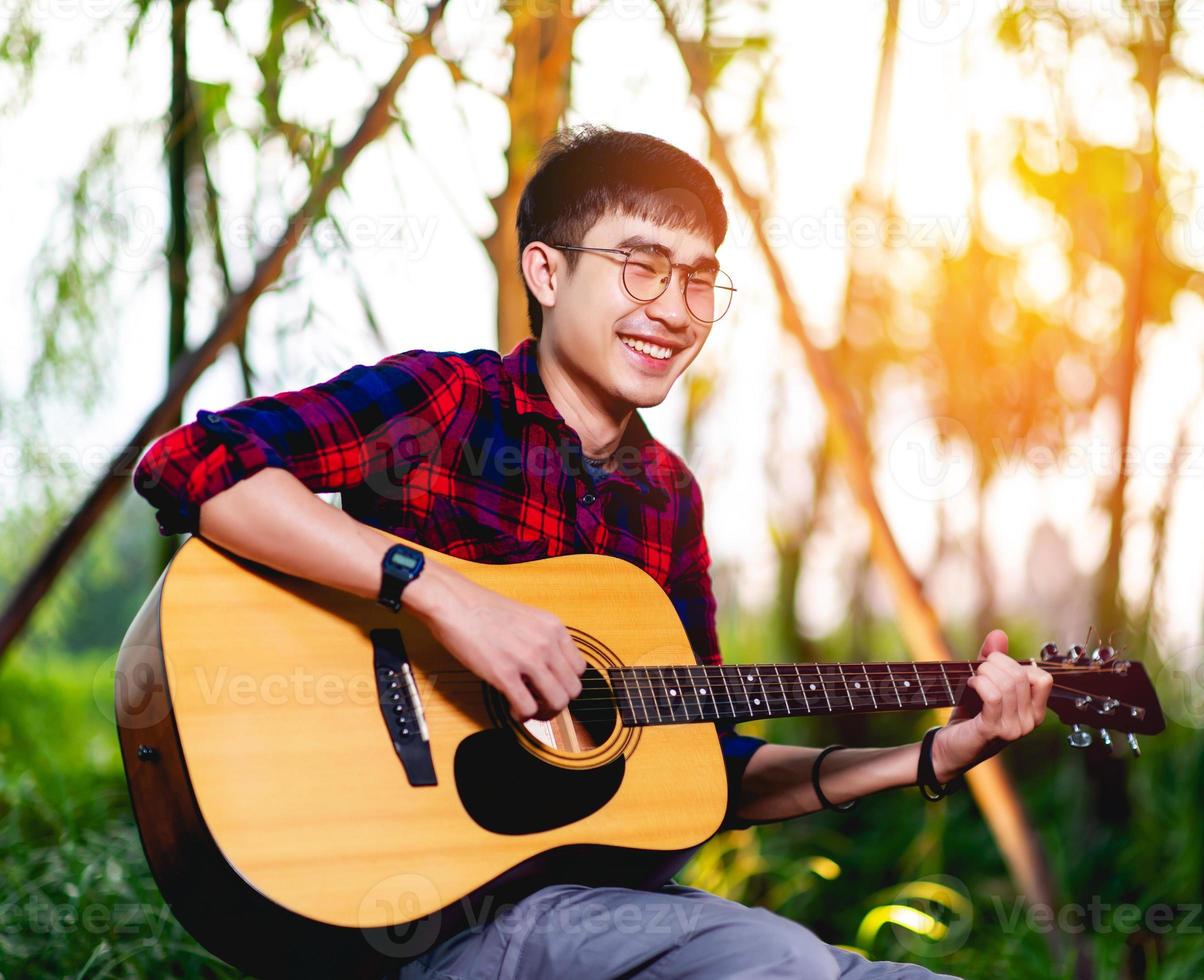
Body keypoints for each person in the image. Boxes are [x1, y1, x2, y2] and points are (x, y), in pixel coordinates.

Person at [133, 124, 1053, 979]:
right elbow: (195, 464)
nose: (676, 308)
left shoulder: (667, 500)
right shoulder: (445, 403)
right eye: (641, 268)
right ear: (545, 271)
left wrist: (935, 753)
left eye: (699, 279)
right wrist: (448, 597)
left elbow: (710, 769)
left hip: (599, 914)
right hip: (421, 916)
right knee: (774, 963)